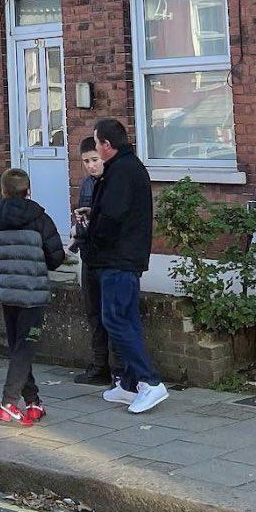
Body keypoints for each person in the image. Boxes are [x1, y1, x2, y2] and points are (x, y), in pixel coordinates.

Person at [86, 118, 167, 415]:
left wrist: (92, 238)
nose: (95, 148)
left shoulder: (121, 170)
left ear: (107, 145)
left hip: (118, 258)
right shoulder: (128, 167)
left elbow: (112, 215)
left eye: (96, 143)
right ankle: (131, 383)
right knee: (127, 319)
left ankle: (149, 381)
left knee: (115, 319)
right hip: (125, 257)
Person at [0, 168, 65, 427]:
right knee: (25, 348)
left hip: (8, 293)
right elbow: (56, 257)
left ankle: (33, 402)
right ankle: (9, 403)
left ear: (3, 191)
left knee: (19, 347)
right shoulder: (40, 219)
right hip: (33, 293)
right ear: (28, 190)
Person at [71, 137, 115, 386]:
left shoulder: (113, 183)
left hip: (108, 258)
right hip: (88, 254)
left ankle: (117, 368)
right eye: (86, 161)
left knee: (112, 314)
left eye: (94, 160)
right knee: (93, 313)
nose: (90, 166)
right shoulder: (87, 184)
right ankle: (100, 365)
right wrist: (77, 234)